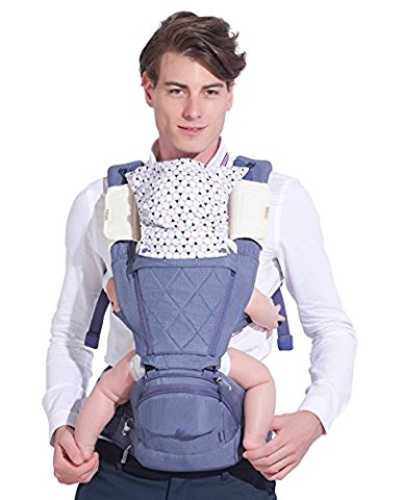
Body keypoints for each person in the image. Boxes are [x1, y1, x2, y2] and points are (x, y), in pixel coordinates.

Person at [42, 11, 357, 500]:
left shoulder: (276, 198)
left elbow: (331, 326)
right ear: (148, 88)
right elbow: (70, 330)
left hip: (234, 471)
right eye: (176, 90)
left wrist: (314, 418)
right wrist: (63, 423)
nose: (194, 111)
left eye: (210, 91)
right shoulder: (104, 202)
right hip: (118, 465)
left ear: (230, 94)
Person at [73, 153, 285, 461]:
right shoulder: (230, 279)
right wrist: (273, 318)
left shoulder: (134, 274)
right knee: (262, 381)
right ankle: (254, 439)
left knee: (107, 391)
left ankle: (81, 445)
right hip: (213, 361)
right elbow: (261, 312)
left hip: (148, 361)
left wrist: (113, 289)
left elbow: (115, 295)